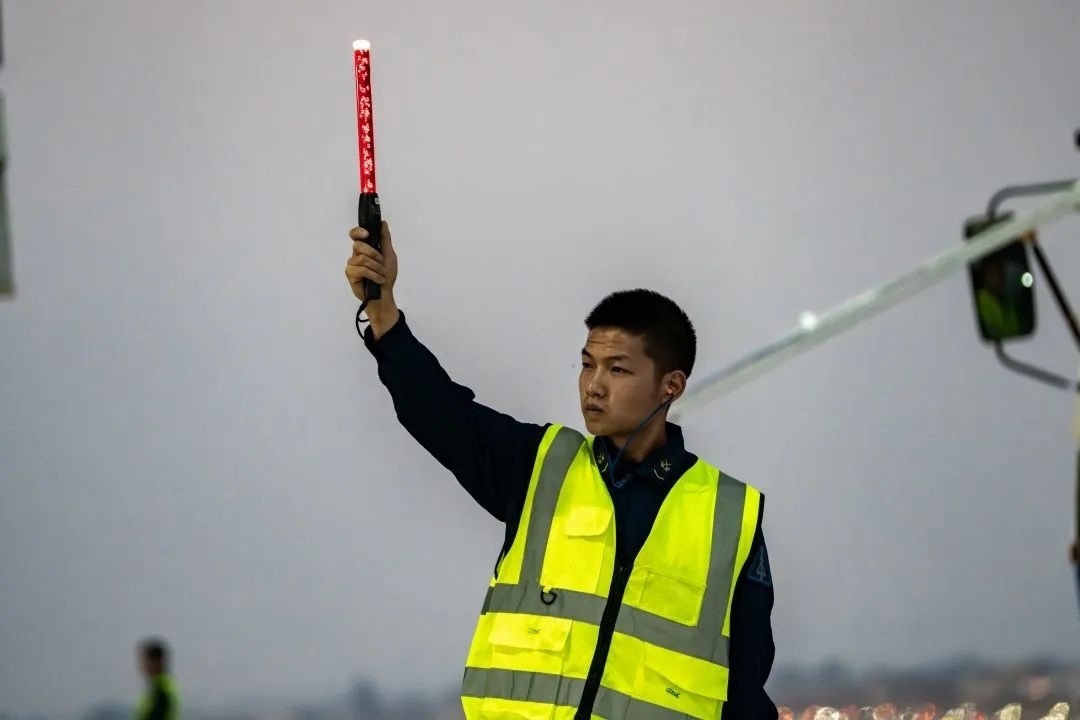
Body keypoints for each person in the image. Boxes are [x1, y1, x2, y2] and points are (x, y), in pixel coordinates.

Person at [345, 222, 778, 720]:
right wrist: (382, 309)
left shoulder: (730, 518)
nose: (593, 385)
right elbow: (437, 411)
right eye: (587, 364)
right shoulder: (540, 466)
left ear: (671, 386)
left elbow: (745, 695)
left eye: (617, 369)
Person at [135, 637, 179, 720]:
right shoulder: (162, 686)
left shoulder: (161, 689)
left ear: (155, 661)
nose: (142, 666)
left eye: (145, 661)